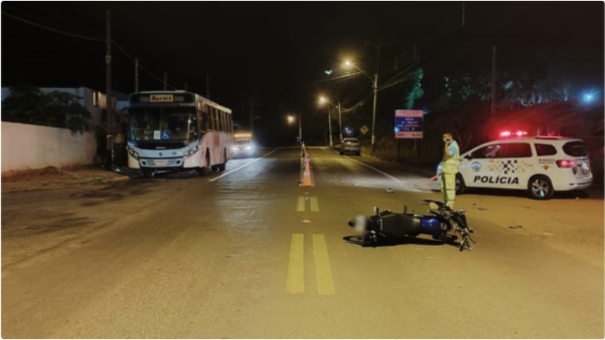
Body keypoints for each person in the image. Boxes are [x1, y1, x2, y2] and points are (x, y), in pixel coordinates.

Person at [430, 133, 460, 208]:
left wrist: (446, 144)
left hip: (450, 171)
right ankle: (446, 203)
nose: (444, 139)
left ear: (450, 137)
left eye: (446, 137)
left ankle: (449, 205)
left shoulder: (454, 146)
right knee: (444, 188)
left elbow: (447, 154)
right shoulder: (450, 145)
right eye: (443, 137)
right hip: (446, 170)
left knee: (449, 188)